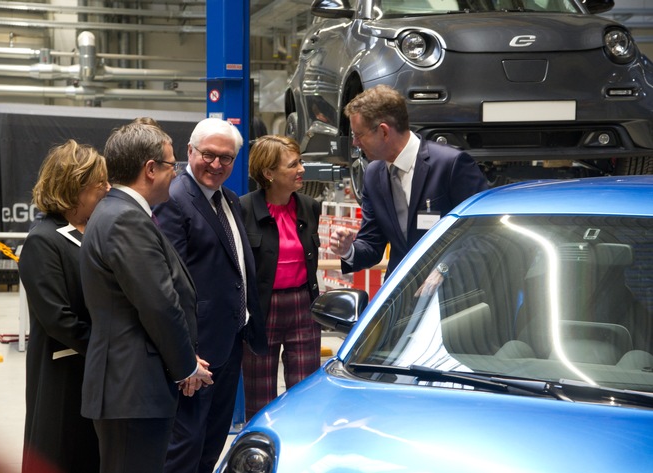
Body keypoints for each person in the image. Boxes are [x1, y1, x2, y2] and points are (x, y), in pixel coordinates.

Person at [79, 120, 213, 473]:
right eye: (172, 165)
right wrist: (186, 366)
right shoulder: (125, 219)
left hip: (131, 388)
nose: (177, 173)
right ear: (150, 169)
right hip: (132, 390)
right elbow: (159, 304)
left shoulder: (119, 212)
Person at [154, 117, 268, 473]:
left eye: (227, 158)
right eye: (209, 155)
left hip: (229, 343)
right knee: (185, 445)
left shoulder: (229, 199)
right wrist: (184, 354)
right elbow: (170, 285)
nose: (217, 165)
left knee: (212, 440)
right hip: (196, 353)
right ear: (190, 151)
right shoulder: (175, 199)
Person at [330, 84, 488, 278]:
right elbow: (371, 243)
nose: (355, 143)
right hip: (402, 295)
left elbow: (483, 233)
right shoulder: (373, 174)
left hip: (452, 294)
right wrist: (348, 250)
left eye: (358, 135)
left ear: (384, 132)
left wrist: (444, 269)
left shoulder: (451, 164)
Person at [17, 139, 108, 473]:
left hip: (93, 370)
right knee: (61, 452)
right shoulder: (44, 240)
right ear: (75, 188)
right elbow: (58, 319)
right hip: (64, 372)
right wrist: (108, 347)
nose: (107, 190)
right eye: (100, 184)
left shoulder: (95, 231)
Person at [239, 135, 322, 419]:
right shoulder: (243, 209)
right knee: (259, 399)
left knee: (306, 393)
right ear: (269, 173)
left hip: (303, 307)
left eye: (300, 161)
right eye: (293, 164)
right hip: (261, 310)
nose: (301, 169)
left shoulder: (310, 207)